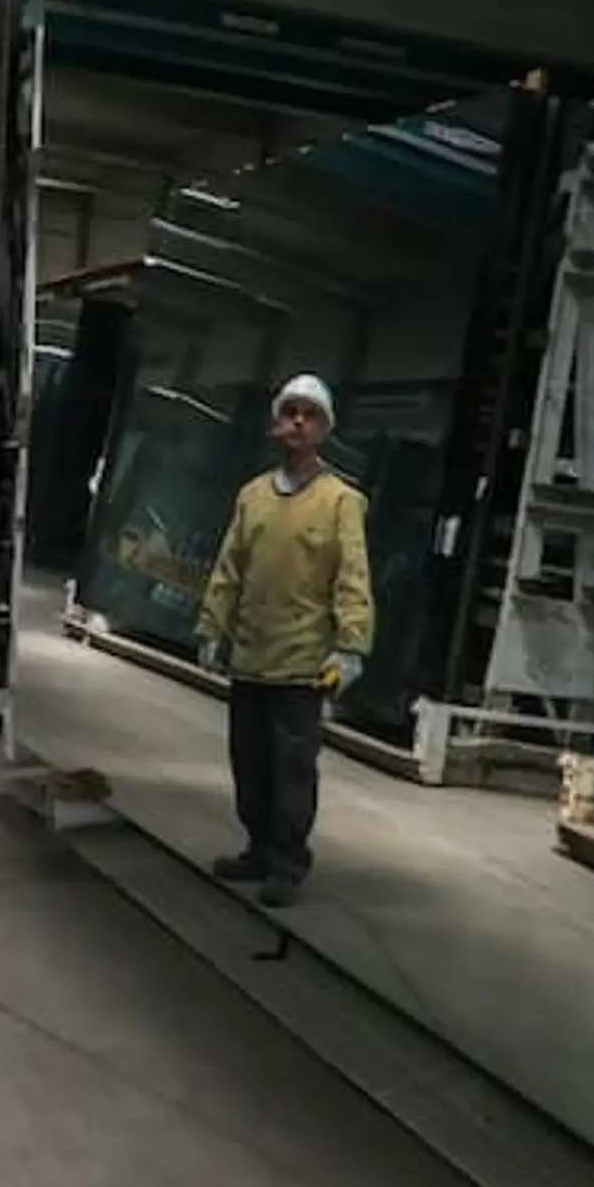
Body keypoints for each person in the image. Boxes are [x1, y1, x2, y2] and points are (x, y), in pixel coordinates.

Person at [194, 374, 374, 909]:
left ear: (324, 429)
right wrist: (212, 626)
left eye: (309, 414)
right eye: (290, 411)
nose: (298, 421)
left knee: (290, 769)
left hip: (302, 665)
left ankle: (288, 861)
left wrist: (351, 646)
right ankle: (257, 848)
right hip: (251, 656)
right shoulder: (252, 497)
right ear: (277, 422)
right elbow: (230, 568)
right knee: (249, 762)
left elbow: (353, 576)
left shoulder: (342, 501)